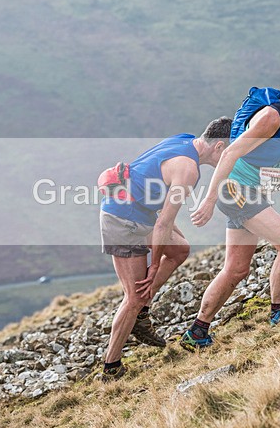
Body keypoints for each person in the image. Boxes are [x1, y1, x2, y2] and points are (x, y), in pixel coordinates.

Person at [182, 62, 280, 351]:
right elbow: (230, 152)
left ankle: (197, 331)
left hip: (253, 193)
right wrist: (210, 199)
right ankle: (278, 311)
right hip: (235, 190)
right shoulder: (271, 118)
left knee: (236, 270)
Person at [98, 117, 232, 379]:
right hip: (123, 220)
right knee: (133, 296)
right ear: (218, 147)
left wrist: (168, 239)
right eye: (229, 153)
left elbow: (150, 181)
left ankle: (140, 314)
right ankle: (111, 367)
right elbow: (163, 225)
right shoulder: (190, 171)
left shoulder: (184, 139)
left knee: (180, 249)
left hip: (137, 211)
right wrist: (155, 264)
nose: (229, 160)